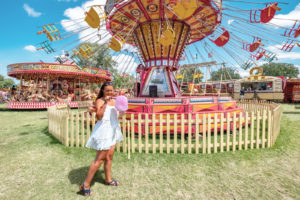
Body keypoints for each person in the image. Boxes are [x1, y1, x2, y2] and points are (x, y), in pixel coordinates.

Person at [79, 81, 125, 196]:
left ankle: (108, 180)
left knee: (109, 157)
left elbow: (116, 116)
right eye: (107, 90)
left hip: (113, 130)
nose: (110, 92)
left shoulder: (115, 101)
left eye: (112, 90)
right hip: (104, 131)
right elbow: (99, 117)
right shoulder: (99, 101)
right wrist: (104, 103)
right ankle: (85, 185)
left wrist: (122, 113)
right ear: (103, 91)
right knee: (99, 159)